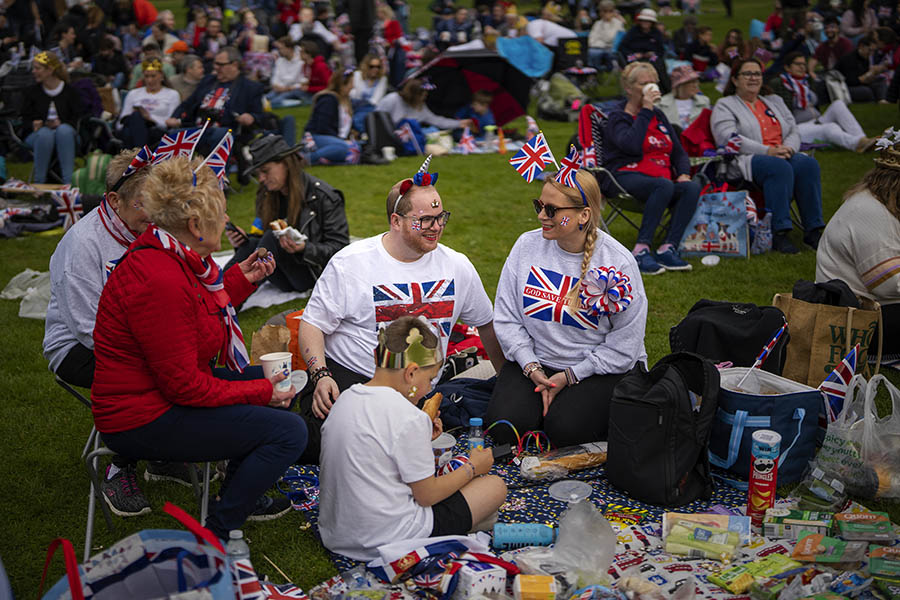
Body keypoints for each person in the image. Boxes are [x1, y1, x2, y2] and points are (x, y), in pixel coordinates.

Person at [91, 156, 308, 540]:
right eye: (221, 214)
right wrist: (262, 392)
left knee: (273, 380)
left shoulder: (169, 255)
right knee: (288, 431)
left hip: (158, 395)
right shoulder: (160, 278)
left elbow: (198, 315)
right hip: (142, 418)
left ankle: (238, 492)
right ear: (195, 225)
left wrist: (240, 281)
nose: (225, 221)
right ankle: (218, 532)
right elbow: (185, 387)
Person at [296, 157, 505, 465]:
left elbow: (486, 325)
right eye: (424, 220)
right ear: (396, 221)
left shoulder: (457, 265)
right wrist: (320, 374)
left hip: (415, 386)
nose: (436, 227)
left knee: (405, 445)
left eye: (440, 216)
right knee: (331, 444)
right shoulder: (351, 263)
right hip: (357, 379)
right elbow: (312, 325)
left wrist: (504, 380)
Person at [318, 316, 507, 561]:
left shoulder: (346, 399)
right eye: (429, 380)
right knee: (494, 487)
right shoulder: (408, 417)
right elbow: (426, 495)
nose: (429, 389)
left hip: (337, 535)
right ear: (411, 373)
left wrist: (422, 437)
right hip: (388, 540)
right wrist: (473, 467)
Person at [485, 169, 647, 446]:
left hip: (598, 369)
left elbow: (624, 345)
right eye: (539, 206)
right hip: (537, 362)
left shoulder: (618, 262)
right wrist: (531, 366)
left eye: (551, 209)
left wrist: (570, 376)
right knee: (504, 430)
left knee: (565, 432)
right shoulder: (526, 246)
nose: (541, 216)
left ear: (583, 215)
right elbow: (507, 318)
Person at [711, 57, 826, 254]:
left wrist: (788, 148)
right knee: (778, 167)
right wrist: (768, 151)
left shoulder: (774, 101)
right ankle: (779, 233)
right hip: (747, 160)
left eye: (757, 74)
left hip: (783, 153)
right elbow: (728, 138)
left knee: (808, 165)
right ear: (735, 80)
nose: (753, 78)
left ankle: (813, 230)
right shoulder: (725, 105)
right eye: (747, 73)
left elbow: (794, 130)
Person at [602, 62, 699, 275]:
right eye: (644, 83)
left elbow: (679, 152)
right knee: (663, 185)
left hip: (659, 178)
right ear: (629, 88)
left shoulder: (659, 116)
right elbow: (630, 145)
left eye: (653, 82)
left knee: (691, 187)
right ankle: (641, 249)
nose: (651, 87)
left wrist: (683, 173)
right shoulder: (618, 117)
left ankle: (668, 248)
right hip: (623, 175)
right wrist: (645, 110)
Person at [816, 129, 900, 368]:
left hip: (866, 311)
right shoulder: (870, 212)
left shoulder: (880, 203)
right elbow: (887, 284)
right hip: (854, 322)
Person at [225, 134, 349, 293]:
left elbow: (340, 250)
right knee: (251, 244)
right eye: (258, 173)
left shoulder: (324, 196)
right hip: (281, 271)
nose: (261, 178)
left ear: (286, 164)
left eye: (265, 171)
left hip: (313, 273)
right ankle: (219, 292)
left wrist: (304, 248)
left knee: (270, 237)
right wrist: (242, 242)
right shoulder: (266, 194)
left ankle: (226, 298)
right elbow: (261, 239)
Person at [166, 46, 264, 155]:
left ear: (235, 65)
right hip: (198, 129)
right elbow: (188, 103)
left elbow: (259, 116)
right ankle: (172, 171)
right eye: (215, 63)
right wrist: (174, 117)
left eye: (220, 64)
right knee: (173, 135)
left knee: (221, 134)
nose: (215, 67)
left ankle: (215, 172)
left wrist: (251, 117)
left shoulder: (250, 87)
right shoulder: (208, 81)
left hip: (226, 130)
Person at [771, 52, 876, 151]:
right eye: (798, 64)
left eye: (804, 64)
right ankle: (856, 144)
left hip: (816, 121)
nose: (802, 67)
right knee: (831, 127)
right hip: (796, 128)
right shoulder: (778, 83)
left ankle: (862, 139)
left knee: (838, 104)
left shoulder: (806, 81)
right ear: (787, 67)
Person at [22, 51, 83, 184]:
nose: (34, 71)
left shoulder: (70, 92)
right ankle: (39, 184)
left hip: (66, 134)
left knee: (64, 131)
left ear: (50, 70)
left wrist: (61, 123)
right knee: (45, 134)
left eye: (37, 68)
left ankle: (68, 184)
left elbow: (80, 118)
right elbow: (23, 119)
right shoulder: (31, 92)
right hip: (39, 135)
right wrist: (33, 124)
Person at [116, 59, 181, 149]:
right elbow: (120, 124)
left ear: (161, 76)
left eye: (153, 76)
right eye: (146, 76)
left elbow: (170, 122)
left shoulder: (172, 94)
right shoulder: (133, 93)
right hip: (133, 126)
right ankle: (140, 155)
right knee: (135, 117)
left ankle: (136, 155)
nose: (150, 80)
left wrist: (149, 118)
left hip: (156, 130)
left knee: (133, 127)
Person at [303, 68, 361, 165]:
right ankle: (308, 159)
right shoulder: (329, 99)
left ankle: (326, 159)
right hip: (317, 137)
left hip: (335, 139)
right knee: (344, 148)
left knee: (356, 148)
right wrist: (341, 140)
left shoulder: (346, 101)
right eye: (351, 83)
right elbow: (322, 127)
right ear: (343, 85)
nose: (353, 86)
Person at [376, 79, 474, 131]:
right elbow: (376, 117)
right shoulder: (392, 99)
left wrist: (459, 123)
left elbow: (436, 120)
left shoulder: (420, 107)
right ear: (414, 94)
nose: (425, 97)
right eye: (423, 95)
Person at [837, 34, 889, 101]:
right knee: (866, 91)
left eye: (874, 51)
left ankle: (882, 100)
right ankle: (873, 102)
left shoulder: (865, 58)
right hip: (844, 88)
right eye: (870, 50)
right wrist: (870, 73)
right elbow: (851, 81)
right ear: (861, 46)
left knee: (880, 80)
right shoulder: (849, 59)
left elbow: (865, 78)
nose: (871, 53)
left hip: (858, 84)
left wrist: (875, 73)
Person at [659, 65, 710, 131]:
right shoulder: (661, 103)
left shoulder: (704, 101)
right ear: (680, 85)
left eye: (696, 81)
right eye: (691, 82)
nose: (695, 85)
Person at [350, 53, 388, 132]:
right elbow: (354, 95)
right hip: (355, 106)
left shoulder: (383, 79)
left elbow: (376, 101)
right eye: (372, 66)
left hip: (371, 108)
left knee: (362, 118)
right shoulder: (357, 75)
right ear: (366, 66)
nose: (375, 69)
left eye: (378, 67)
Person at [267, 37, 308, 108]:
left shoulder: (301, 62)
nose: (279, 51)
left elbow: (304, 81)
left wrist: (288, 88)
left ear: (290, 48)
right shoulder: (279, 61)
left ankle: (299, 102)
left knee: (275, 102)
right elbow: (275, 78)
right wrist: (277, 86)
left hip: (294, 90)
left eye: (281, 48)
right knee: (266, 98)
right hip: (280, 89)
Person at [588, 1, 625, 71]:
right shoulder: (597, 24)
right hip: (598, 48)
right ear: (600, 12)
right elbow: (591, 41)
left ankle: (608, 72)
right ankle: (595, 73)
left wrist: (601, 40)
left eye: (610, 11)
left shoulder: (618, 23)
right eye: (604, 11)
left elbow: (611, 38)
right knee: (592, 53)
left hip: (612, 49)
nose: (607, 14)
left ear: (614, 12)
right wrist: (603, 44)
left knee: (608, 54)